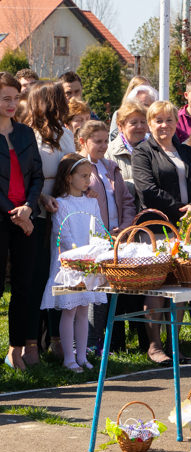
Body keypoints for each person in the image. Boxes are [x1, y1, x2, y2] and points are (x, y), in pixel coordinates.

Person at [132, 100, 191, 364]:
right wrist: (179, 209)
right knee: (157, 288)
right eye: (158, 120)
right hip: (157, 228)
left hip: (184, 228)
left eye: (169, 120)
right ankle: (155, 346)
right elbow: (147, 189)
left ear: (177, 122)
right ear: (150, 124)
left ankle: (176, 345)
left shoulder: (184, 151)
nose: (164, 125)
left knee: (179, 286)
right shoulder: (143, 152)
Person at [40, 154, 107, 373]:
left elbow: (97, 229)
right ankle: (69, 358)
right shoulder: (62, 204)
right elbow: (65, 235)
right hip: (69, 267)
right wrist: (81, 256)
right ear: (69, 178)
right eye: (83, 176)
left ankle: (82, 355)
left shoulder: (91, 202)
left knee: (83, 308)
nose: (88, 180)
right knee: (69, 310)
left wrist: (95, 253)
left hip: (88, 266)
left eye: (90, 176)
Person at [25, 81, 75, 363]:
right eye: (58, 99)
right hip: (40, 209)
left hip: (64, 210)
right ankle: (33, 341)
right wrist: (43, 199)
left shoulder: (65, 133)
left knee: (60, 275)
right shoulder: (30, 134)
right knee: (37, 275)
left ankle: (58, 338)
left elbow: (71, 164)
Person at [79, 120, 136, 352]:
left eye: (105, 141)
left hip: (116, 236)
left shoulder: (110, 166)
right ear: (83, 141)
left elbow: (126, 200)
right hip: (91, 238)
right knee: (93, 291)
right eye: (97, 141)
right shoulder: (77, 166)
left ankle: (108, 342)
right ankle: (89, 342)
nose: (103, 146)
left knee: (109, 291)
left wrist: (123, 227)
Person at [0, 72, 43, 371]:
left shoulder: (26, 134)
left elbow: (37, 176)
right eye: (6, 98)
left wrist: (27, 208)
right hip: (3, 218)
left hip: (27, 217)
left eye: (16, 98)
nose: (13, 104)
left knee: (24, 286)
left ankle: (15, 350)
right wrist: (13, 214)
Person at [105, 101, 148, 201]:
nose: (140, 126)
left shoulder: (155, 149)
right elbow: (107, 187)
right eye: (134, 123)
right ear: (120, 126)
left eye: (143, 122)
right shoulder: (108, 153)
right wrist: (143, 185)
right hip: (122, 211)